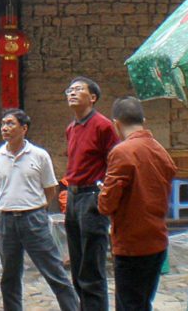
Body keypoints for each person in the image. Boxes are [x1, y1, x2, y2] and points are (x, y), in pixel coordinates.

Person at [0, 109, 78, 311]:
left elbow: (50, 190)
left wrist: (34, 208)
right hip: (7, 220)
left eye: (10, 124)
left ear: (24, 128)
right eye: (3, 124)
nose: (5, 128)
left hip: (34, 218)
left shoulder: (39, 155)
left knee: (54, 271)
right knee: (9, 276)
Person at [97, 96, 177, 311]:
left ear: (116, 124)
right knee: (143, 303)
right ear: (144, 120)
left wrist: (102, 192)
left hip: (131, 245)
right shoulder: (161, 151)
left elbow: (107, 204)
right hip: (157, 240)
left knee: (129, 305)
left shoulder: (122, 152)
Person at [64, 76, 118, 310]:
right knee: (77, 266)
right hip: (74, 197)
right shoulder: (71, 128)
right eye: (70, 90)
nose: (72, 93)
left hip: (91, 197)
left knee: (92, 268)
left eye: (78, 90)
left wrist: (103, 194)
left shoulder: (104, 126)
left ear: (93, 98)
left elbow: (115, 161)